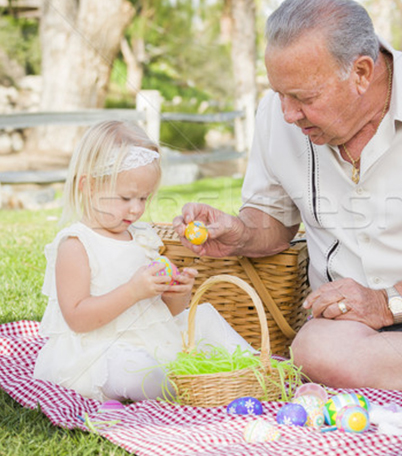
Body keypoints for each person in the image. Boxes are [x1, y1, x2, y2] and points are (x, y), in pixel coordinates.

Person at [174, 0, 402, 395]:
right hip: (354, 325)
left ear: (362, 73)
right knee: (314, 350)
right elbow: (272, 222)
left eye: (304, 98)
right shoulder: (274, 117)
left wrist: (386, 302)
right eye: (279, 94)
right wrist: (240, 232)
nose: (289, 114)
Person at [33, 120, 251, 402]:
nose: (136, 209)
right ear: (87, 186)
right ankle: (182, 390)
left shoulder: (143, 237)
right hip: (102, 347)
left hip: (152, 339)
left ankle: (255, 372)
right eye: (125, 197)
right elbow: (77, 318)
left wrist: (177, 294)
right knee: (134, 370)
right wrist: (133, 291)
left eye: (143, 198)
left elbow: (162, 313)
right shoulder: (76, 244)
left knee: (206, 318)